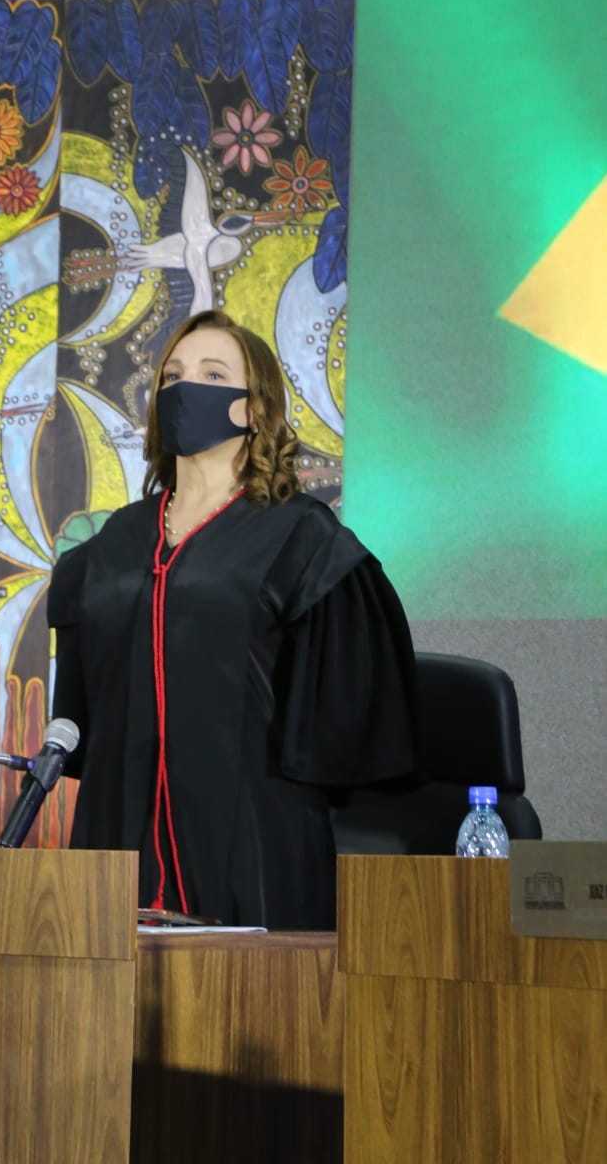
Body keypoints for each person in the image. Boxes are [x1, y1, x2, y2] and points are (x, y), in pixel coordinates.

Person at [47, 309, 416, 929]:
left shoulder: (299, 539)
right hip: (117, 853)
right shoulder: (113, 544)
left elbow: (343, 735)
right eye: (173, 377)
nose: (186, 388)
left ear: (253, 408)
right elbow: (85, 722)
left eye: (213, 374)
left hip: (252, 852)